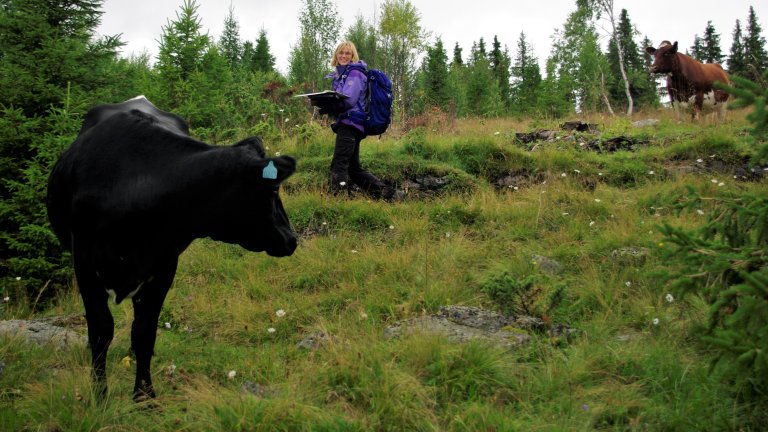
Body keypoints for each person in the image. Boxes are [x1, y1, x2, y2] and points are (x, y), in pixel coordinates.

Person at [315, 41, 395, 200]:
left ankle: (338, 201)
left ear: (353, 56)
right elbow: (341, 99)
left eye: (347, 53)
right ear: (336, 55)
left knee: (339, 165)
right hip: (350, 123)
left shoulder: (355, 73)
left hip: (351, 124)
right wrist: (326, 105)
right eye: (341, 53)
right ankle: (387, 194)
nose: (344, 56)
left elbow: (350, 101)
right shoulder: (341, 75)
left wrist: (330, 107)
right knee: (353, 168)